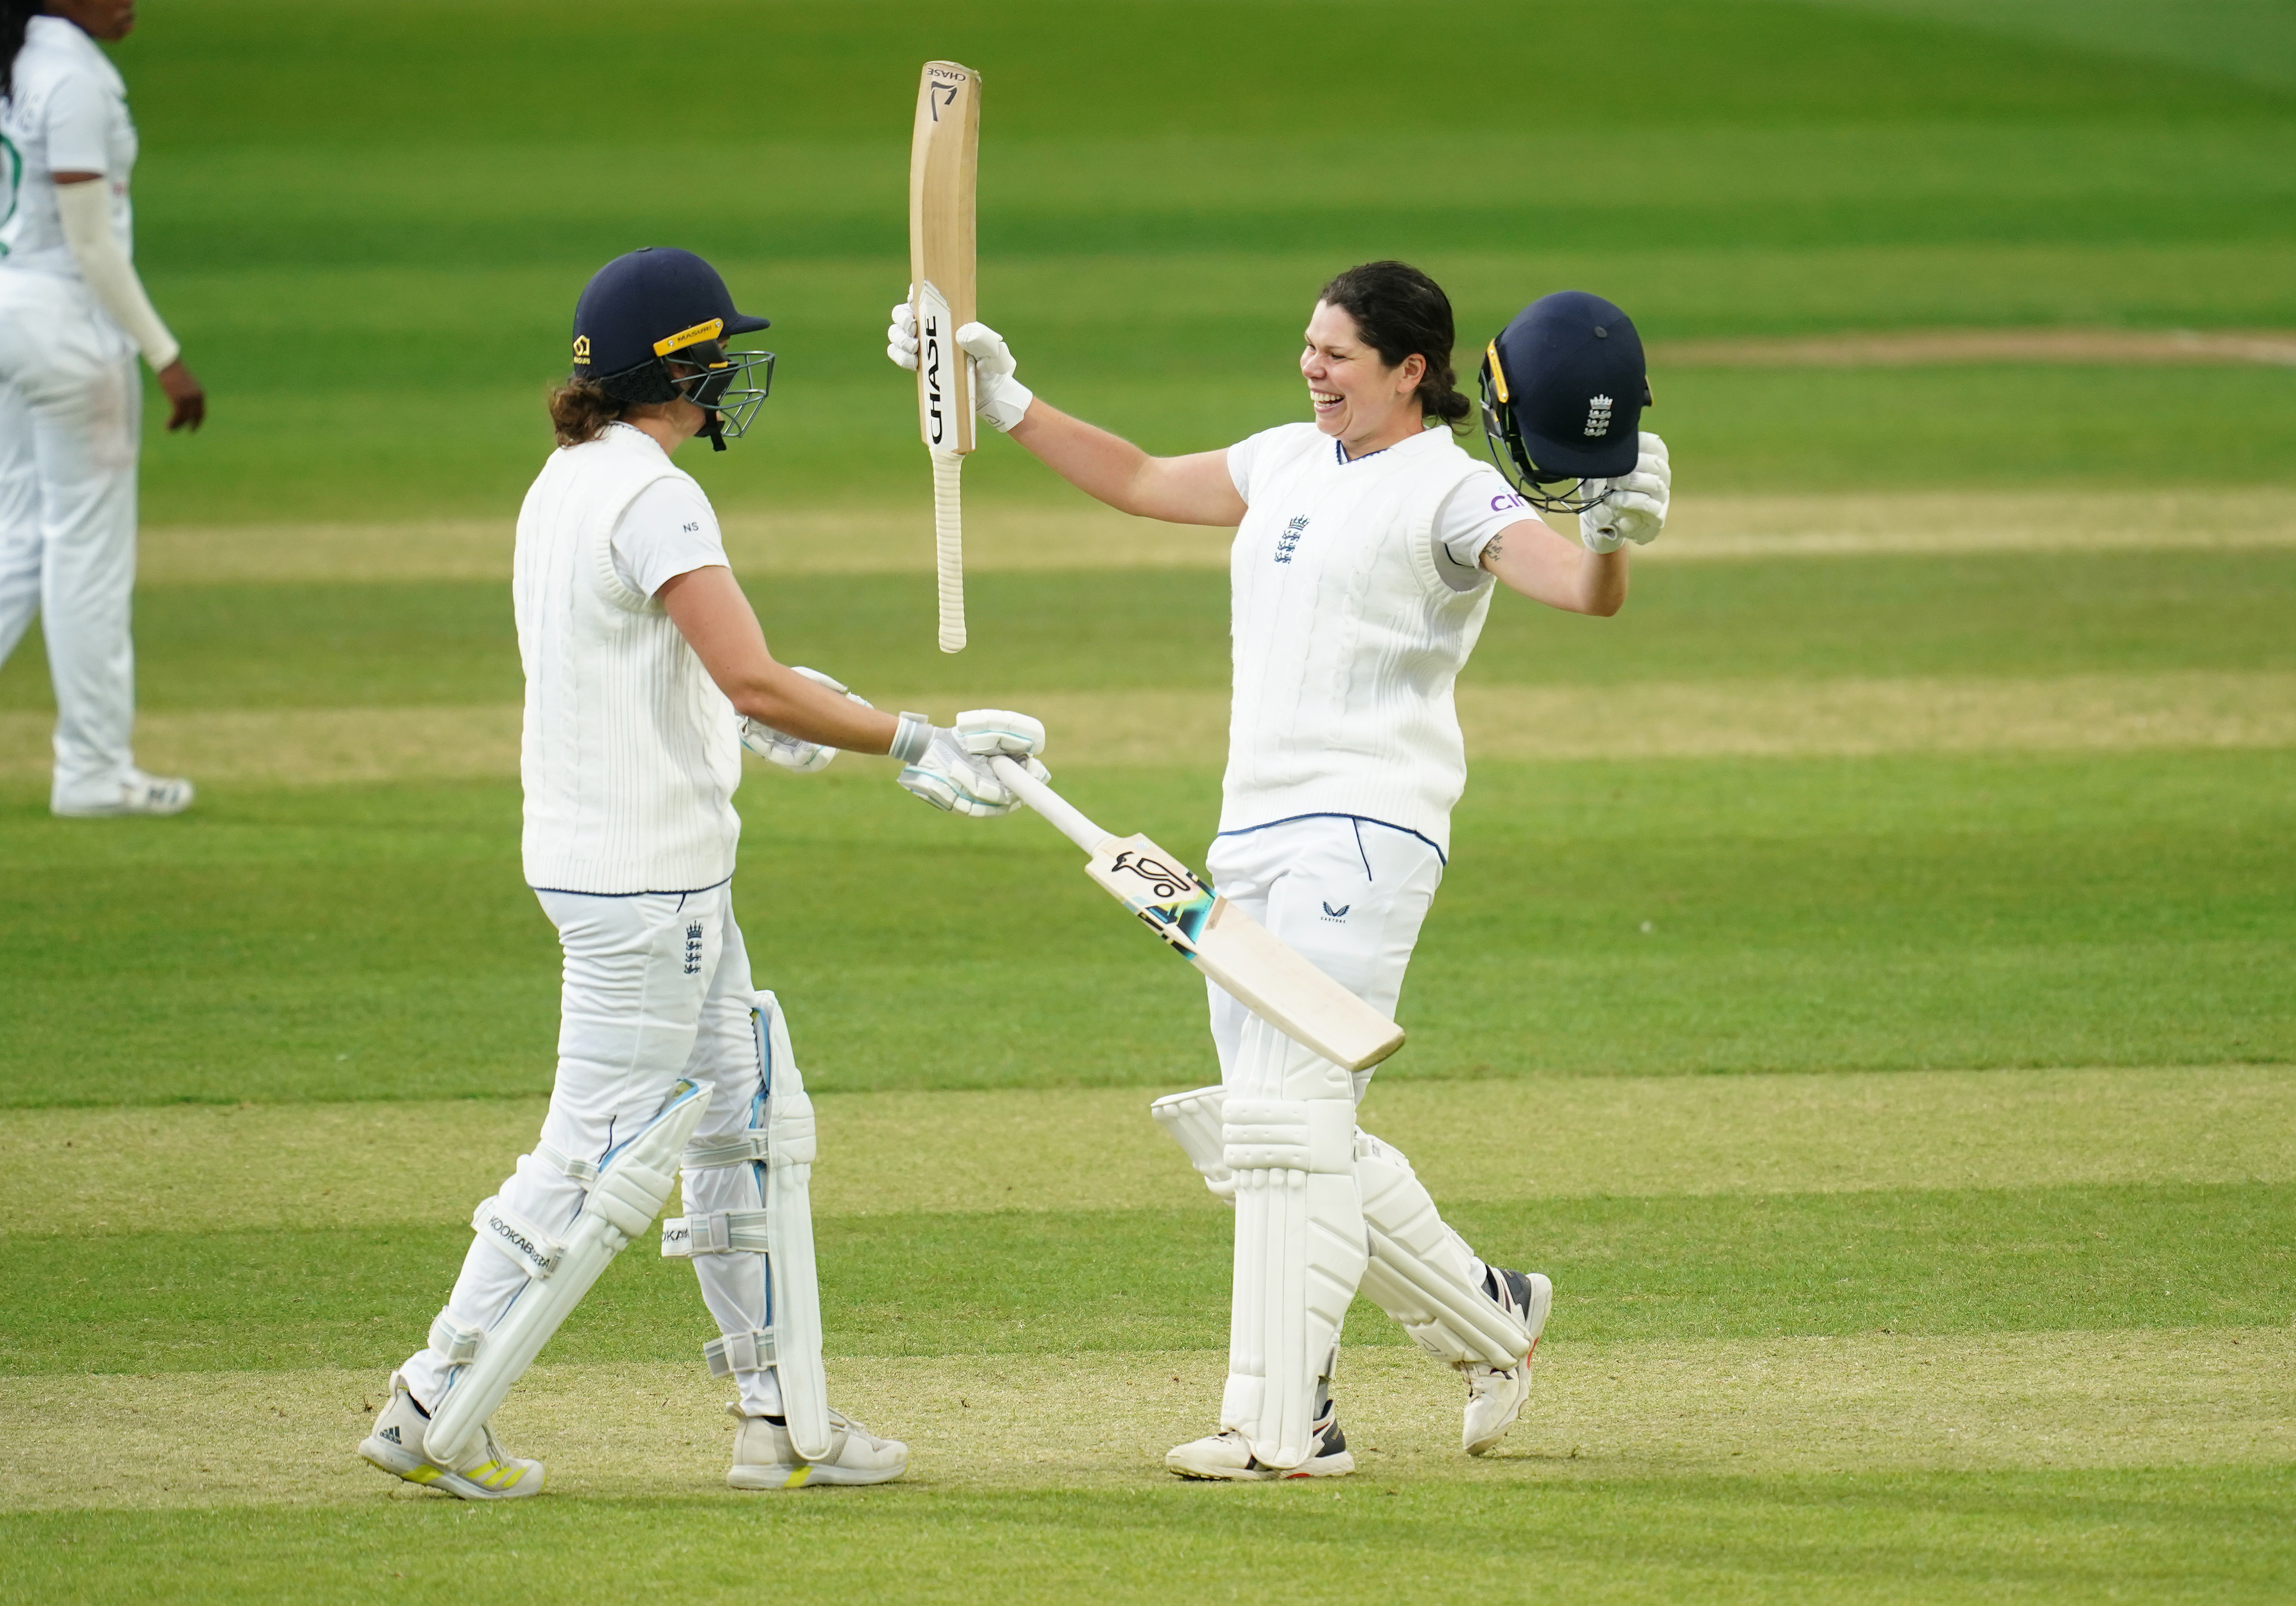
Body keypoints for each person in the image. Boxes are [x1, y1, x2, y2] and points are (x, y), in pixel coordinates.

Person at [887, 262, 1670, 1479]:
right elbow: (1144, 481)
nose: (1312, 368)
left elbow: (1580, 591)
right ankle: (1491, 1316)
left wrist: (1612, 536)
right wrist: (1006, 401)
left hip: (1369, 824)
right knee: (1273, 1132)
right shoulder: (1285, 460)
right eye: (1307, 347)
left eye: (1338, 355)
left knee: (1288, 1122)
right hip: (1247, 830)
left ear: (1413, 372)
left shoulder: (1453, 493)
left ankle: (1287, 1421)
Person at [358, 247, 1050, 1499]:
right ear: (678, 369)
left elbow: (703, 678)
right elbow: (747, 677)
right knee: (592, 1152)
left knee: (743, 1125)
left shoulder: (571, 481)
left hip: (624, 867)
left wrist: (815, 718)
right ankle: (432, 1396)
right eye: (717, 350)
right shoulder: (657, 500)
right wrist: (913, 741)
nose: (733, 370)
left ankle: (778, 1417)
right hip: (646, 886)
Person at [0, 0, 205, 816]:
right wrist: (166, 356)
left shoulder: (16, 66)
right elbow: (92, 245)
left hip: (9, 311)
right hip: (66, 332)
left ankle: (93, 766)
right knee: (88, 556)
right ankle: (91, 771)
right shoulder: (72, 79)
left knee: (17, 534)